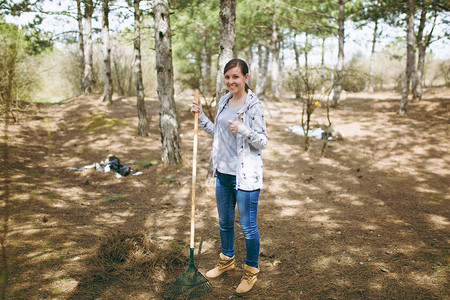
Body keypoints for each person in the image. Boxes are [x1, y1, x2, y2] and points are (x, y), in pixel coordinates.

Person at [191, 58, 268, 294]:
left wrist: (243, 129)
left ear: (246, 77)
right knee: (224, 222)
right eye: (227, 77)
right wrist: (202, 116)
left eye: (235, 76)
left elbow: (262, 141)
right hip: (223, 174)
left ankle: (251, 271)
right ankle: (227, 261)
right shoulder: (225, 100)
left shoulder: (254, 106)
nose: (231, 81)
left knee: (248, 227)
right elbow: (218, 132)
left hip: (245, 177)